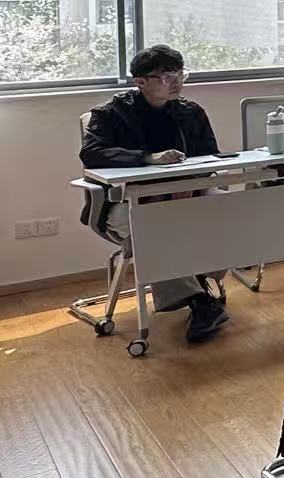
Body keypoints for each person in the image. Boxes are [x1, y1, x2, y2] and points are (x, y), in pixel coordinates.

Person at [78, 45, 230, 343]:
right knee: (153, 228)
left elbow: (209, 155)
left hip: (186, 193)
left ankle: (200, 284)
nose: (177, 82)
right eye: (166, 77)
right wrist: (147, 158)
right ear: (141, 82)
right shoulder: (111, 113)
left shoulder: (191, 112)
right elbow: (91, 153)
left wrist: (193, 180)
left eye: (181, 74)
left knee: (228, 208)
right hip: (128, 200)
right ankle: (200, 301)